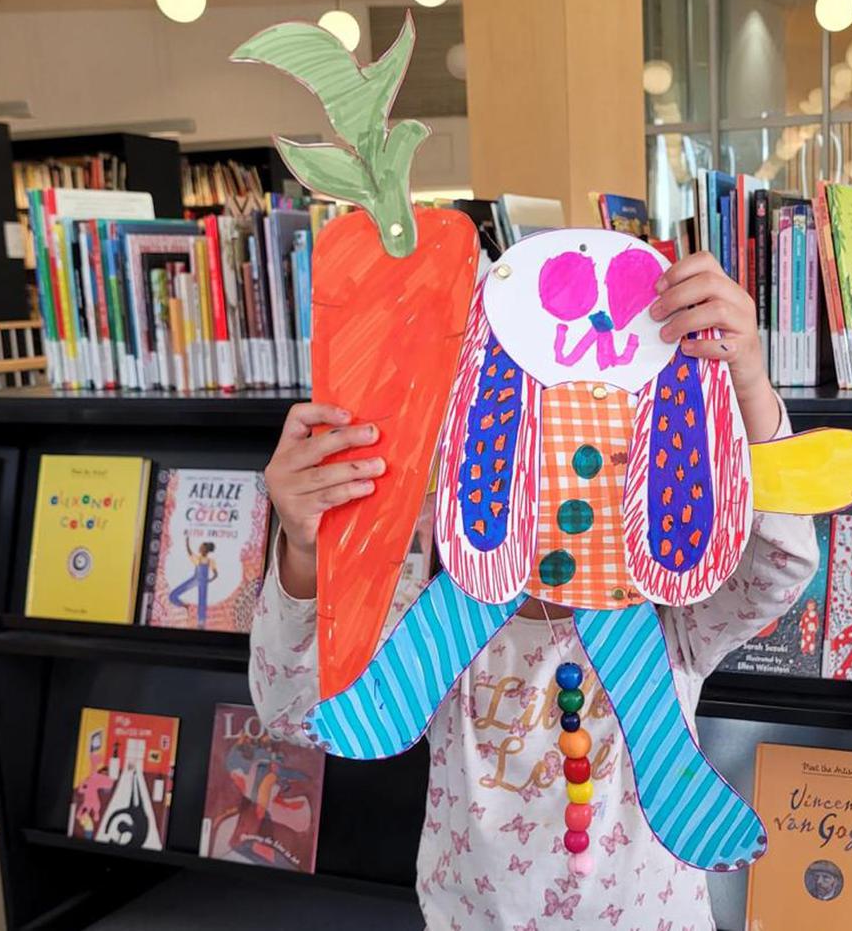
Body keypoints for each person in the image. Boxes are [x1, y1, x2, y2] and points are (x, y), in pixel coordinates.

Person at [251, 252, 819, 930]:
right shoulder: (427, 590)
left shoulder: (671, 611)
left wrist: (747, 386)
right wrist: (305, 547)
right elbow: (293, 710)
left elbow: (779, 565)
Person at [168, 535, 218, 628]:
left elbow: (215, 574)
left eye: (201, 547)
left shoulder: (210, 561)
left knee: (202, 601)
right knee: (174, 594)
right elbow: (190, 552)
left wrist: (209, 580)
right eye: (200, 547)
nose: (199, 548)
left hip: (203, 582)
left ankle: (201, 623)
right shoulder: (198, 558)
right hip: (196, 579)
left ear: (205, 550)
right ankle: (184, 605)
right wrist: (187, 542)